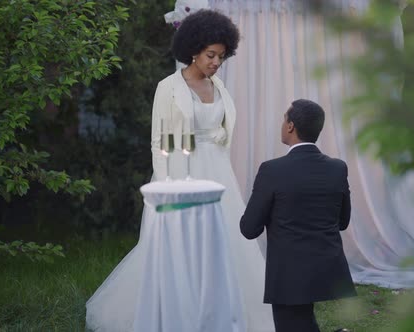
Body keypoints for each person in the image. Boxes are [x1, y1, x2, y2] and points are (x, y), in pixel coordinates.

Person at [86, 9, 274, 332]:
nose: (216, 62)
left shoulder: (220, 90)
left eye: (222, 56)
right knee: (180, 246)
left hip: (218, 175)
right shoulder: (168, 88)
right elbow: (159, 141)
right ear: (194, 50)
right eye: (211, 55)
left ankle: (223, 313)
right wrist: (165, 184)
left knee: (225, 244)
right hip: (182, 171)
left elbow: (223, 135)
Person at [240, 99, 357, 332]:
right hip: (327, 266)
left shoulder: (272, 170)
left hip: (289, 275)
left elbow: (249, 228)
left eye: (284, 119)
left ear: (291, 126)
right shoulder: (337, 168)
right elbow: (342, 222)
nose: (282, 124)